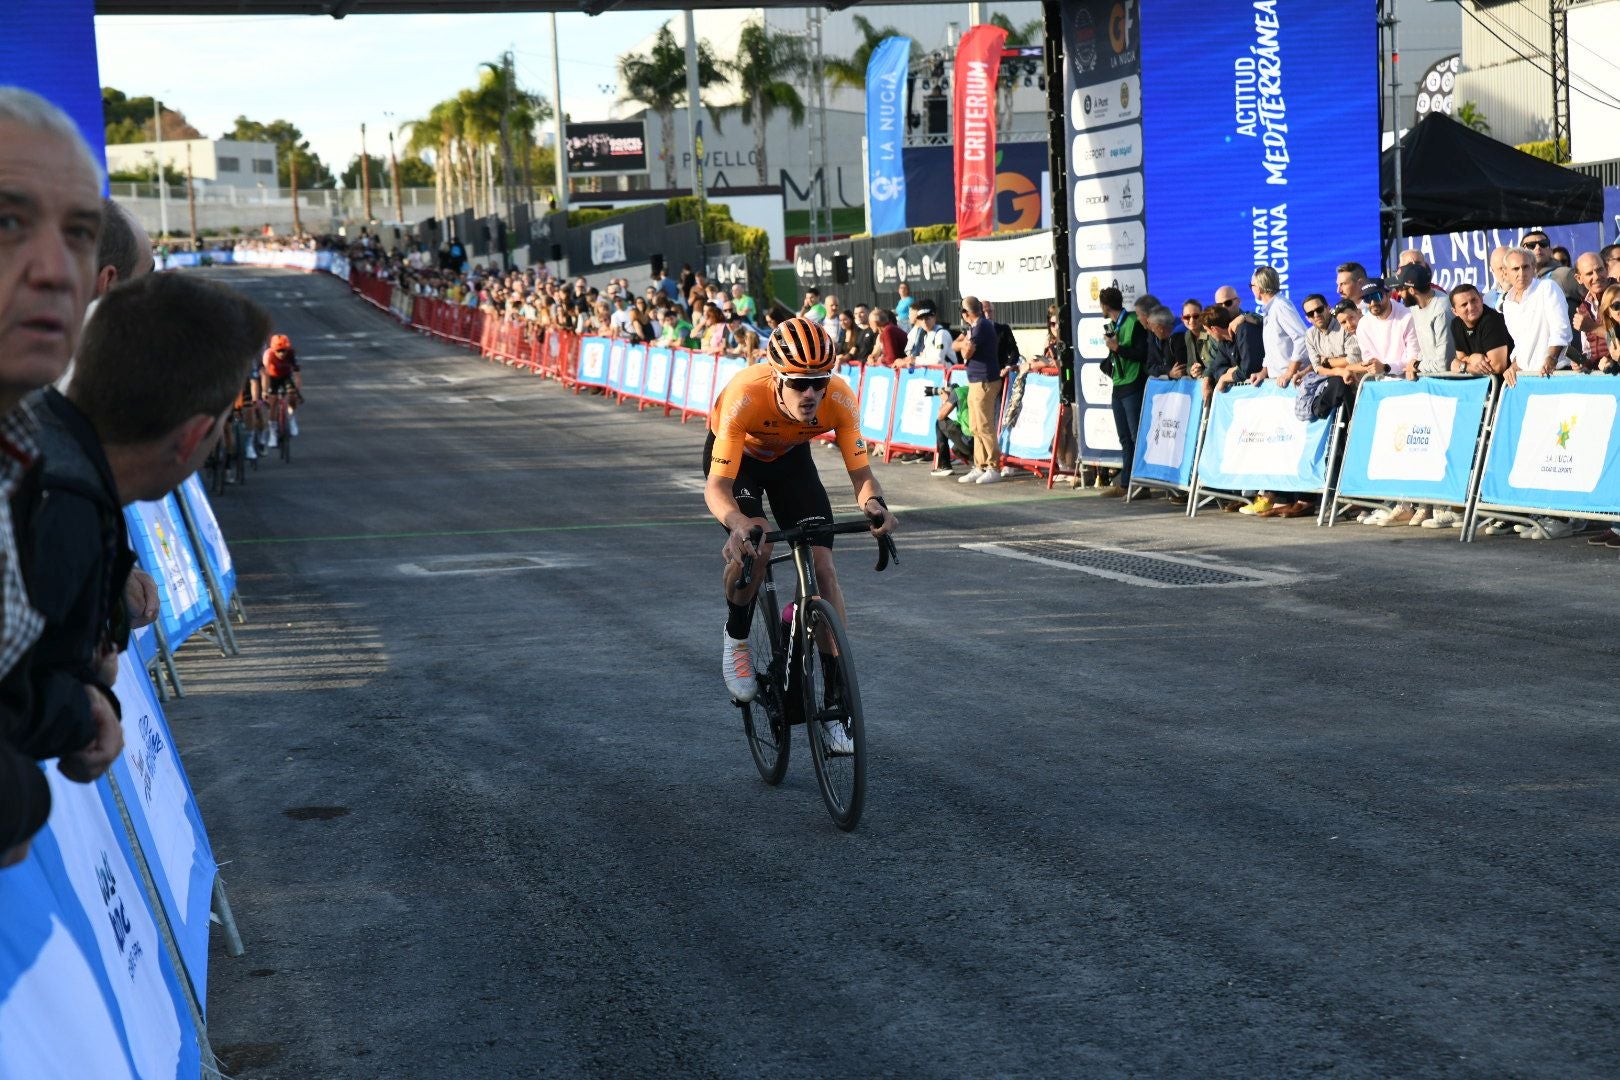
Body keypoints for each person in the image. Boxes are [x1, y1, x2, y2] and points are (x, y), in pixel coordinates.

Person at [12, 274, 268, 827]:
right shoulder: (62, 512)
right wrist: (77, 722)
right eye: (223, 424)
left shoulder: (43, 439)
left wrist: (84, 682)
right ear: (193, 436)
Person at [703, 317, 897, 752]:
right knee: (759, 541)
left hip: (791, 462)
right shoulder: (744, 395)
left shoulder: (839, 399)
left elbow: (862, 475)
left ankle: (835, 702)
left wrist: (874, 505)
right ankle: (736, 636)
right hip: (740, 464)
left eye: (819, 381)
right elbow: (717, 488)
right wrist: (737, 523)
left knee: (824, 571)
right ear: (777, 378)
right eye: (798, 383)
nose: (810, 393)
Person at [0, 87, 108, 867]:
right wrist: (21, 800)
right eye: (6, 224)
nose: (55, 271)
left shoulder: (24, 451)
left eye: (79, 234)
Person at [952, 295, 1005, 485]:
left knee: (984, 425)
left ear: (966, 313)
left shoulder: (982, 326)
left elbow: (967, 352)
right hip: (975, 381)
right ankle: (980, 465)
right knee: (975, 425)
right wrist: (963, 344)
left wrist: (963, 346)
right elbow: (956, 345)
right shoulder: (975, 327)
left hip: (985, 381)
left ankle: (993, 466)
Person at [1393, 263, 1453, 377]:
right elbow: (1426, 349)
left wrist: (1417, 366)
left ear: (1411, 290)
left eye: (1399, 289)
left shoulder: (1442, 310)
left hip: (1449, 381)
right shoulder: (1415, 306)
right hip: (1432, 377)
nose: (1398, 293)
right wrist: (1414, 364)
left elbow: (1443, 364)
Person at [1571, 251, 1612, 371]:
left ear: (1607, 269)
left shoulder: (1617, 295)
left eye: (1600, 270)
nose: (1597, 276)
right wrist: (1582, 363)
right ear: (1579, 278)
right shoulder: (1583, 308)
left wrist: (1593, 327)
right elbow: (1589, 352)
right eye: (1589, 273)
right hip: (1600, 378)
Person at [929, 380, 973, 477]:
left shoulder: (958, 391)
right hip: (981, 443)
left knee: (939, 422)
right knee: (955, 449)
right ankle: (978, 463)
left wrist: (947, 400)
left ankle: (945, 466)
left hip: (969, 442)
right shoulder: (974, 391)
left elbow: (941, 415)